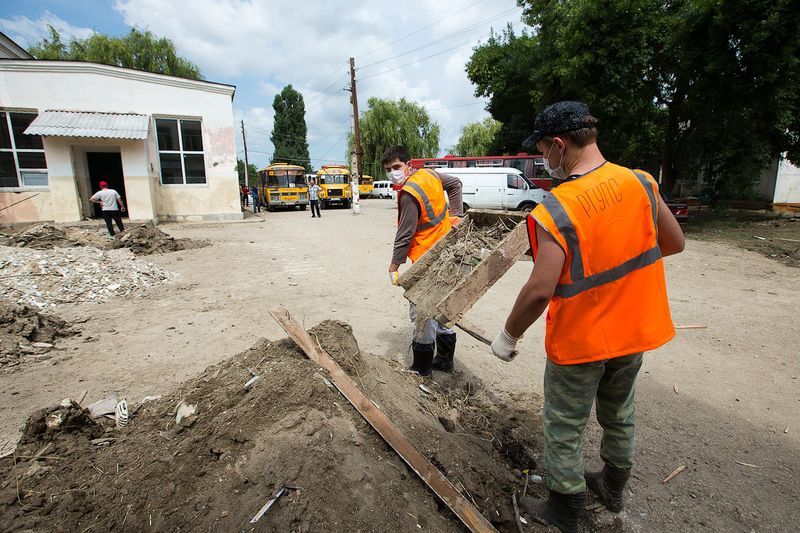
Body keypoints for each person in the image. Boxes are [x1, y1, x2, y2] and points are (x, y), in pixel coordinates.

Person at [490, 102, 685, 532]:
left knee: (563, 424)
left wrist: (508, 336)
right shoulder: (641, 183)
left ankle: (564, 509)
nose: (544, 160)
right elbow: (673, 243)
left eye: (543, 150)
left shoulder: (556, 210)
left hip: (581, 343)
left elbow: (540, 289)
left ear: (559, 145)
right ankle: (613, 488)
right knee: (619, 412)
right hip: (634, 331)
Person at [383, 145, 463, 376]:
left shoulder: (409, 193)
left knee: (422, 312)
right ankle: (445, 361)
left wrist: (394, 266)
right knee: (444, 307)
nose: (393, 172)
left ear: (409, 165)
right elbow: (455, 184)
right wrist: (456, 214)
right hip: (449, 251)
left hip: (426, 259)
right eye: (388, 169)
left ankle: (422, 368)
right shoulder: (430, 174)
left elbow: (405, 234)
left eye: (397, 167)